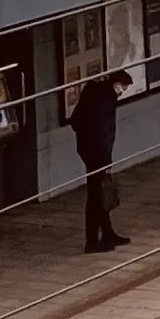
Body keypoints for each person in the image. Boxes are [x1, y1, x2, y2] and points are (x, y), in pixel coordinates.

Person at [67, 65, 132, 251]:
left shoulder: (94, 92)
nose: (122, 93)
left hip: (88, 150)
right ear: (117, 84)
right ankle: (92, 242)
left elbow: (75, 120)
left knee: (99, 193)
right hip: (97, 154)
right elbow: (104, 133)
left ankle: (108, 233)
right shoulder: (105, 101)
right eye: (123, 89)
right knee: (95, 196)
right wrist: (106, 161)